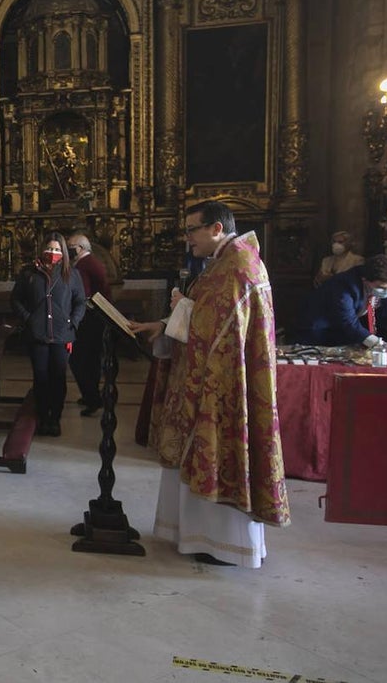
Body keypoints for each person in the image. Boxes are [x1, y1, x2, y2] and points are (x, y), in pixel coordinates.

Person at [129, 201, 290, 568]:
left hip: (224, 386)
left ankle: (222, 542)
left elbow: (215, 330)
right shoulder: (225, 262)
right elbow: (205, 316)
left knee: (218, 451)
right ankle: (193, 534)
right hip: (211, 378)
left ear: (216, 228)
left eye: (191, 230)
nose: (188, 240)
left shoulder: (236, 266)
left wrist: (182, 307)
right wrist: (168, 320)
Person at [10, 232, 85, 437]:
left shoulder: (71, 274)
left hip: (62, 334)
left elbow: (80, 301)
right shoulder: (29, 273)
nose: (53, 253)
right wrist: (29, 318)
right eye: (50, 249)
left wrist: (73, 322)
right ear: (42, 249)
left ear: (63, 253)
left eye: (57, 250)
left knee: (58, 378)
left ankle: (55, 418)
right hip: (38, 334)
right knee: (41, 377)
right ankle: (42, 416)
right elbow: (16, 299)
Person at [290, 254, 387, 357]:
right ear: (365, 280)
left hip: (353, 332)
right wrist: (379, 344)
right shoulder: (343, 285)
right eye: (381, 287)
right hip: (319, 331)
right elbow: (347, 321)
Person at [66, 233, 110, 417]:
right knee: (90, 360)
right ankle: (90, 396)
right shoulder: (91, 262)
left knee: (80, 361)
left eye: (71, 246)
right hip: (96, 319)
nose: (68, 250)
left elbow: (81, 295)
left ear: (81, 248)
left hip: (89, 321)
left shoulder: (84, 265)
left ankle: (92, 399)